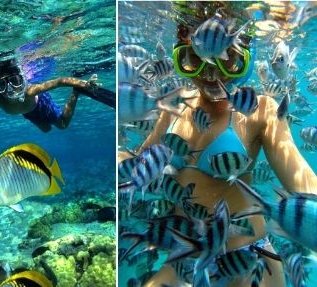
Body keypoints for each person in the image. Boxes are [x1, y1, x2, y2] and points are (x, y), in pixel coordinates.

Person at [119, 2, 317, 287]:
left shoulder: (262, 109)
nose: (211, 73)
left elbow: (302, 179)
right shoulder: (172, 106)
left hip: (249, 260)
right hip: (185, 259)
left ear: (246, 54)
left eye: (230, 60)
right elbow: (138, 162)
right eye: (192, 59)